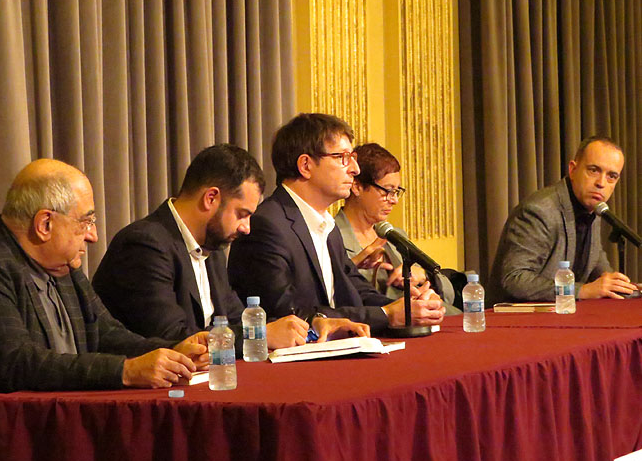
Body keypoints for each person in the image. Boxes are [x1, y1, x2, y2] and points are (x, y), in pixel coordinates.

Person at [0, 159, 209, 461]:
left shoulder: (62, 264)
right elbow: (16, 362)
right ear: (45, 224)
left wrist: (173, 351)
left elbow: (107, 334)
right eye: (85, 222)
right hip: (8, 450)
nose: (94, 236)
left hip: (67, 431)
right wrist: (126, 371)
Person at [93, 144, 369, 350]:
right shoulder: (145, 246)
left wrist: (311, 326)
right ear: (211, 198)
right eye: (242, 214)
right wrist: (261, 336)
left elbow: (237, 320)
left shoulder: (210, 246)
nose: (246, 227)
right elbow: (174, 338)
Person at [228, 113, 445, 333]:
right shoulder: (266, 226)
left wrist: (407, 307)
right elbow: (289, 314)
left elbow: (356, 290)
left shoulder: (327, 225)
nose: (355, 169)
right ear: (306, 165)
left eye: (353, 157)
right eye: (342, 157)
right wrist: (386, 315)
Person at [488, 136, 639, 305]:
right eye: (593, 170)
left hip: (561, 313)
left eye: (612, 176)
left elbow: (597, 266)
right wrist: (582, 290)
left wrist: (622, 287)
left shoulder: (594, 208)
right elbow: (514, 279)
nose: (601, 183)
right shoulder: (540, 210)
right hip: (513, 316)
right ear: (573, 170)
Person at [335, 143, 461, 314]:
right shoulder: (332, 238)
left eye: (396, 192)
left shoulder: (394, 235)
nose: (394, 200)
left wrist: (424, 278)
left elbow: (449, 293)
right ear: (357, 187)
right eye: (387, 191)